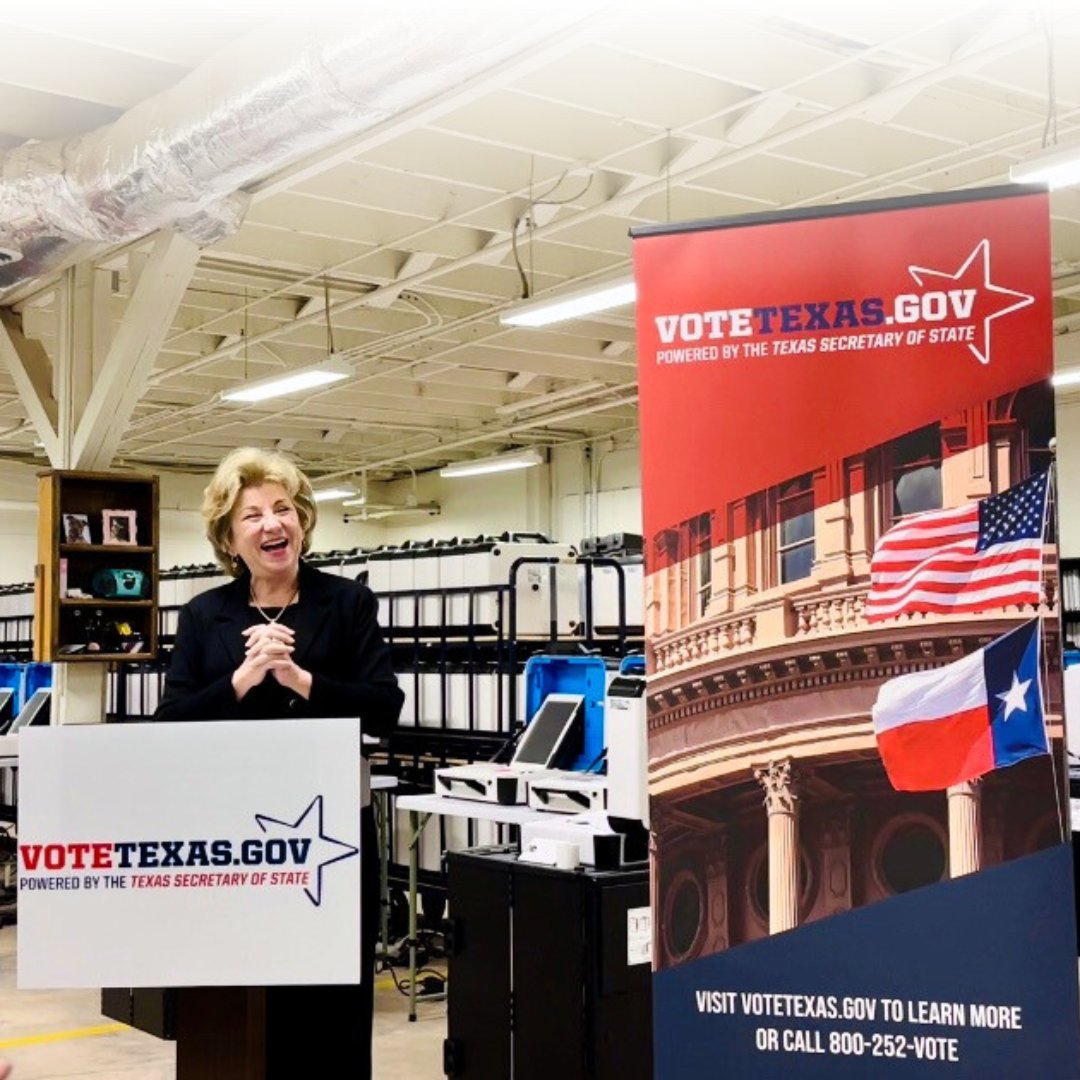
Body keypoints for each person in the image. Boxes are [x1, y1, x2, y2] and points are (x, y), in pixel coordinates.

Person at [155, 446, 403, 1079]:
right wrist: (242, 678)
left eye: (284, 509)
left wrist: (298, 677)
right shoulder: (205, 614)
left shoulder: (346, 604)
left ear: (303, 521)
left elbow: (382, 707)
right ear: (229, 537)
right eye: (254, 515)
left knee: (333, 1008)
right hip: (232, 844)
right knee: (240, 1006)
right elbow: (172, 725)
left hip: (329, 843)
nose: (273, 524)